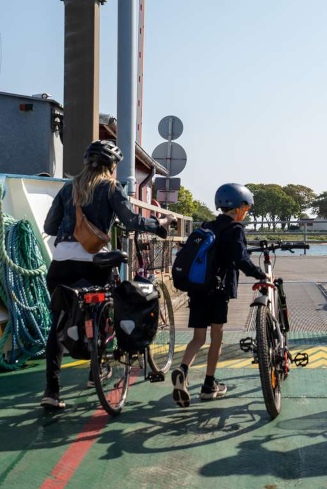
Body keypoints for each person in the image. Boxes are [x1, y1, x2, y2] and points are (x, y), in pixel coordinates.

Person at [40, 139, 172, 410]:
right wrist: (159, 224)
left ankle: (51, 391)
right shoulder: (112, 187)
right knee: (100, 313)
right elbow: (132, 221)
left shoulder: (68, 188)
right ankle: (94, 373)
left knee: (58, 323)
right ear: (112, 166)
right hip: (94, 264)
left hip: (61, 265)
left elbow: (50, 226)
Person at [171, 183, 269, 407]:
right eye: (247, 208)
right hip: (217, 291)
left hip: (197, 289)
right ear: (240, 207)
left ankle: (183, 370)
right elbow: (241, 260)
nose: (247, 213)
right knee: (216, 337)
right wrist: (260, 274)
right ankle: (208, 385)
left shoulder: (208, 226)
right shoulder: (235, 230)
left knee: (198, 338)